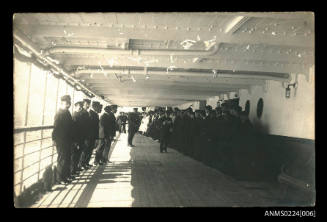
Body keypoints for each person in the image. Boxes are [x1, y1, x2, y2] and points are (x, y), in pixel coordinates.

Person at [52, 95, 74, 184]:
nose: (68, 105)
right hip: (61, 140)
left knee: (67, 158)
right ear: (62, 103)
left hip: (67, 140)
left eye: (69, 103)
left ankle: (66, 176)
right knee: (62, 159)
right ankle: (60, 179)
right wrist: (54, 139)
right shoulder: (59, 113)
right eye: (67, 103)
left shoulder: (67, 112)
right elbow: (55, 128)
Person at [71, 101, 85, 175]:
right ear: (75, 106)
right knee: (74, 155)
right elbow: (73, 130)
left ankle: (75, 169)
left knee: (78, 155)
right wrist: (75, 141)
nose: (81, 107)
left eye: (81, 106)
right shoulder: (74, 115)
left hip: (80, 138)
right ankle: (72, 171)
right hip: (76, 139)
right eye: (79, 106)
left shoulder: (80, 115)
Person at [86, 101, 100, 166]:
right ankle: (83, 163)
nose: (98, 108)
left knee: (90, 149)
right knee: (87, 149)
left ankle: (86, 163)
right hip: (90, 135)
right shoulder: (91, 113)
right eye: (98, 107)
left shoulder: (94, 114)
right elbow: (90, 126)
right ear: (94, 107)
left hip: (93, 135)